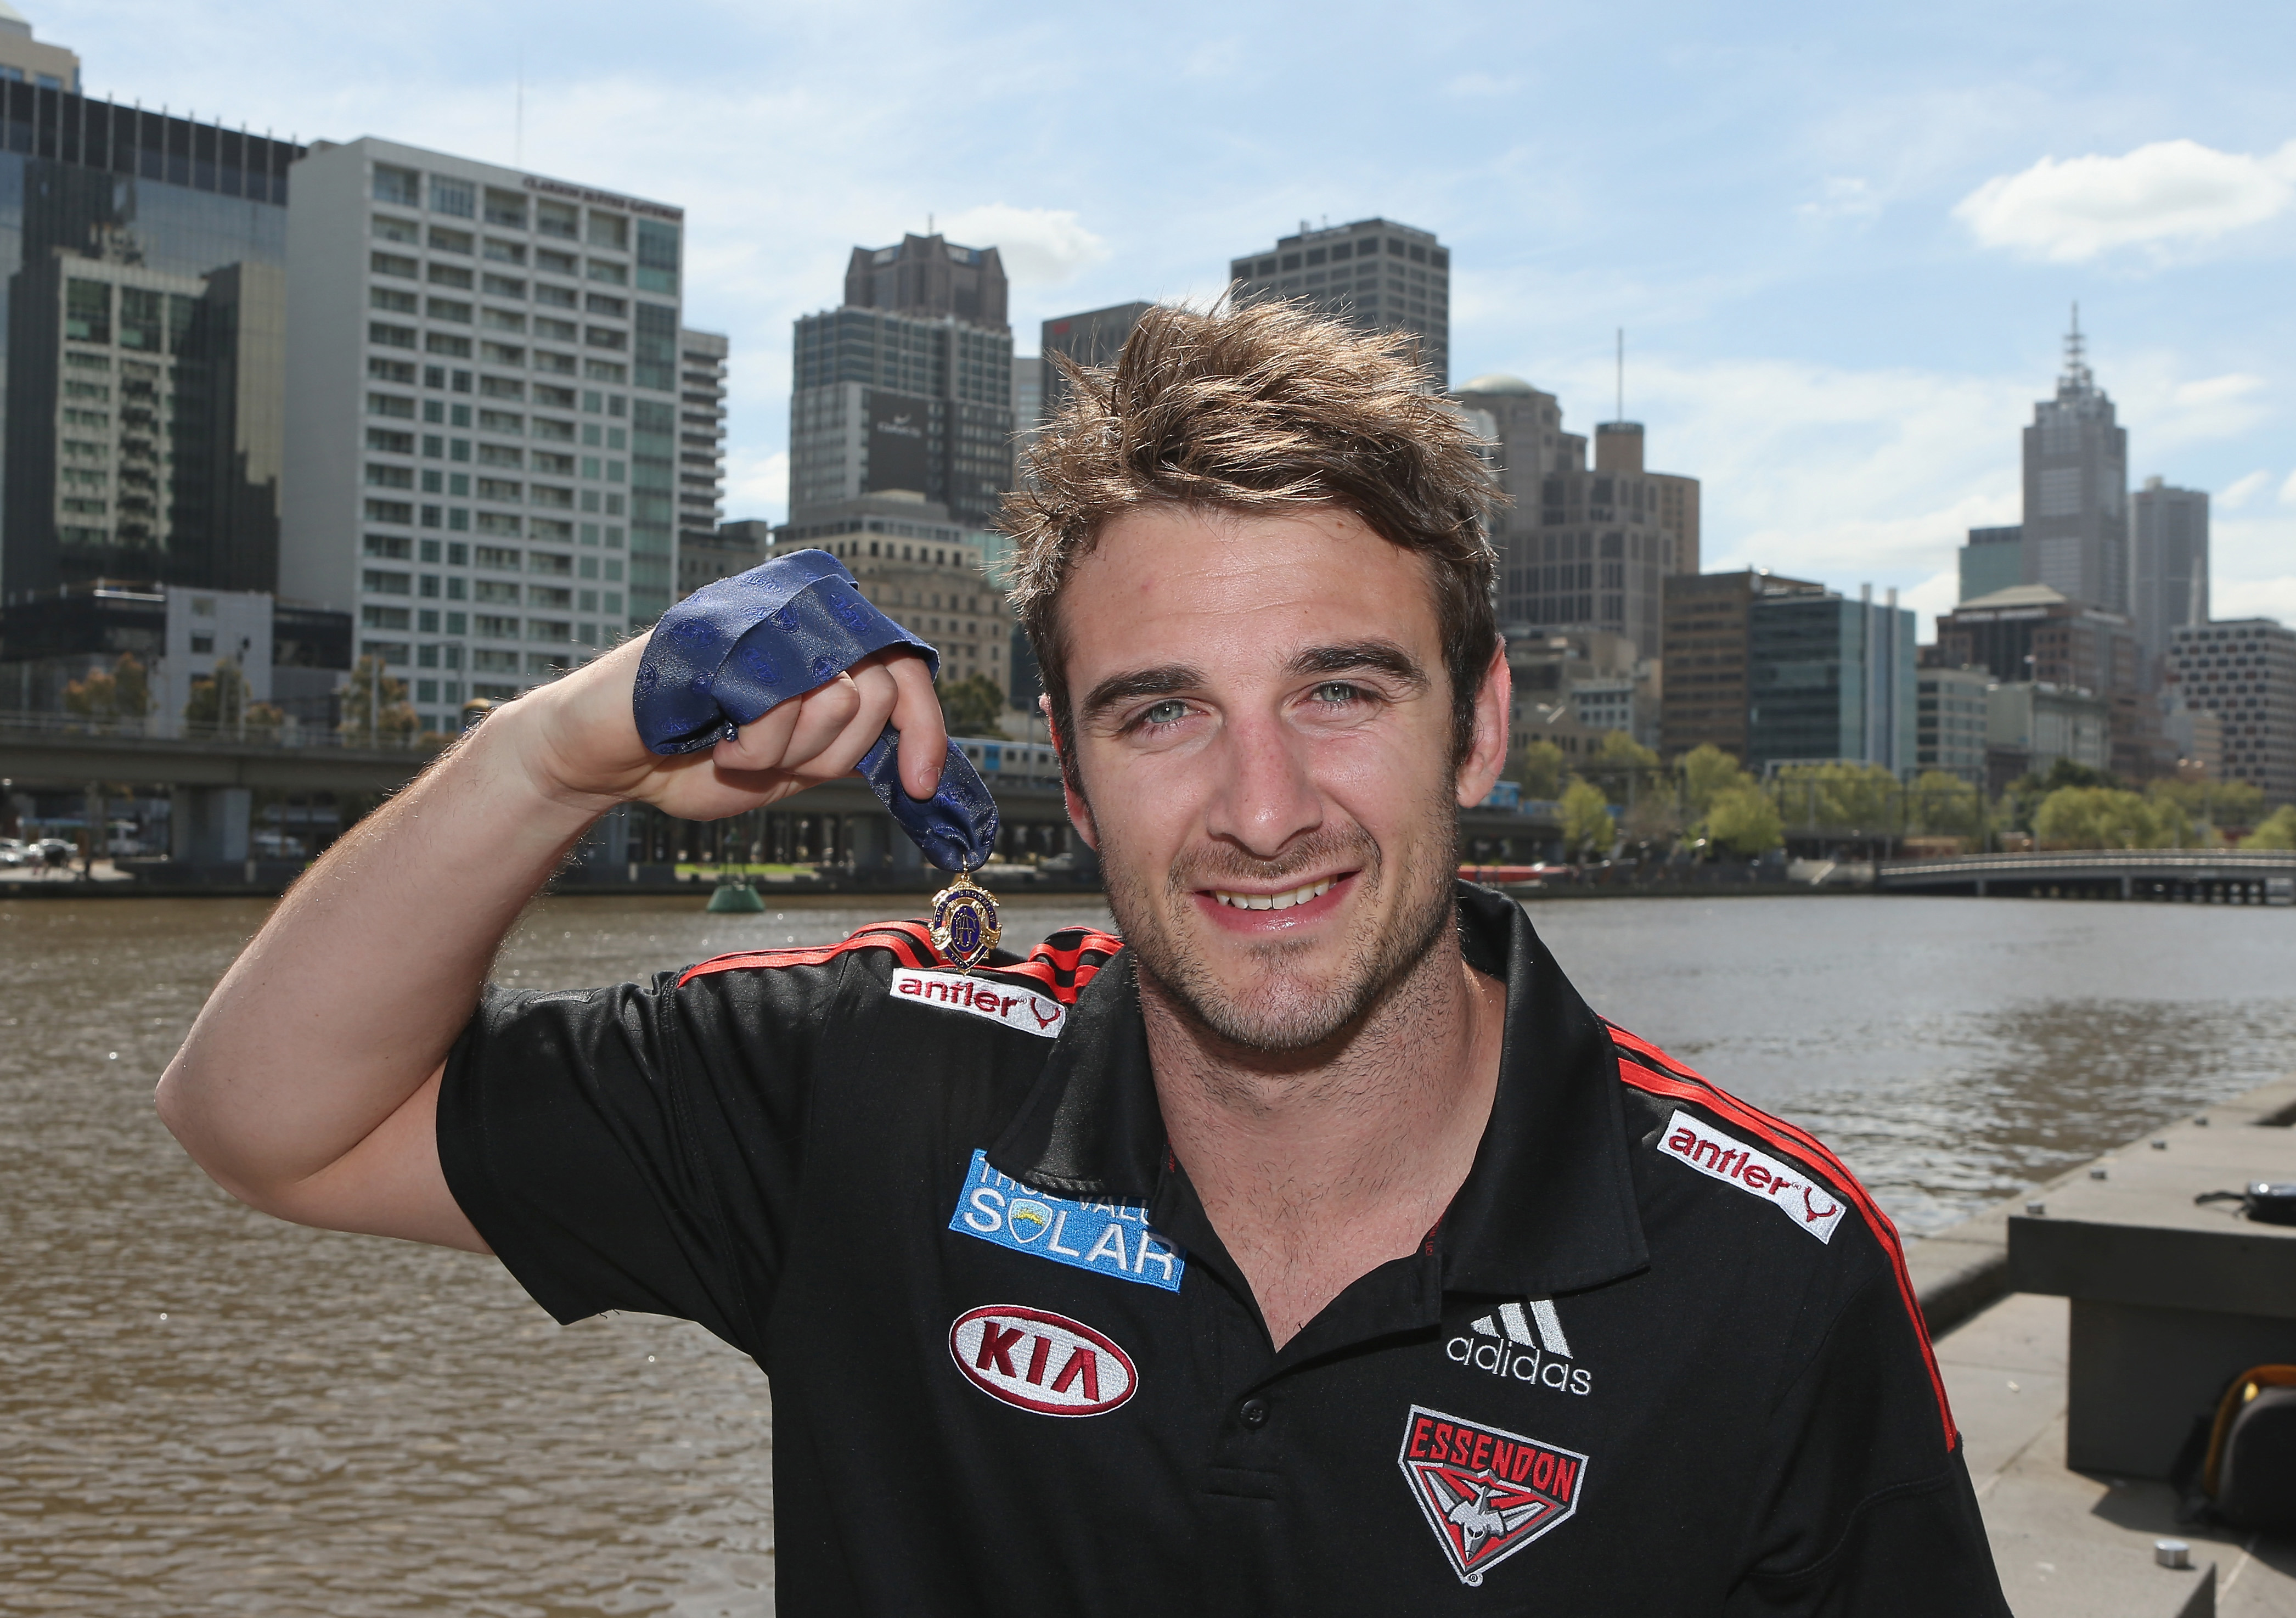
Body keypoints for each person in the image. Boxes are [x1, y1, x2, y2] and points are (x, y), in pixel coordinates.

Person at [159, 302, 2010, 1615]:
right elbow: (268, 1123)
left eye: (1340, 692)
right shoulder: (875, 1086)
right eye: (1162, 713)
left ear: (1480, 721)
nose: (1263, 807)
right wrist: (555, 752)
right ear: (1066, 752)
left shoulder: (1769, 1265)